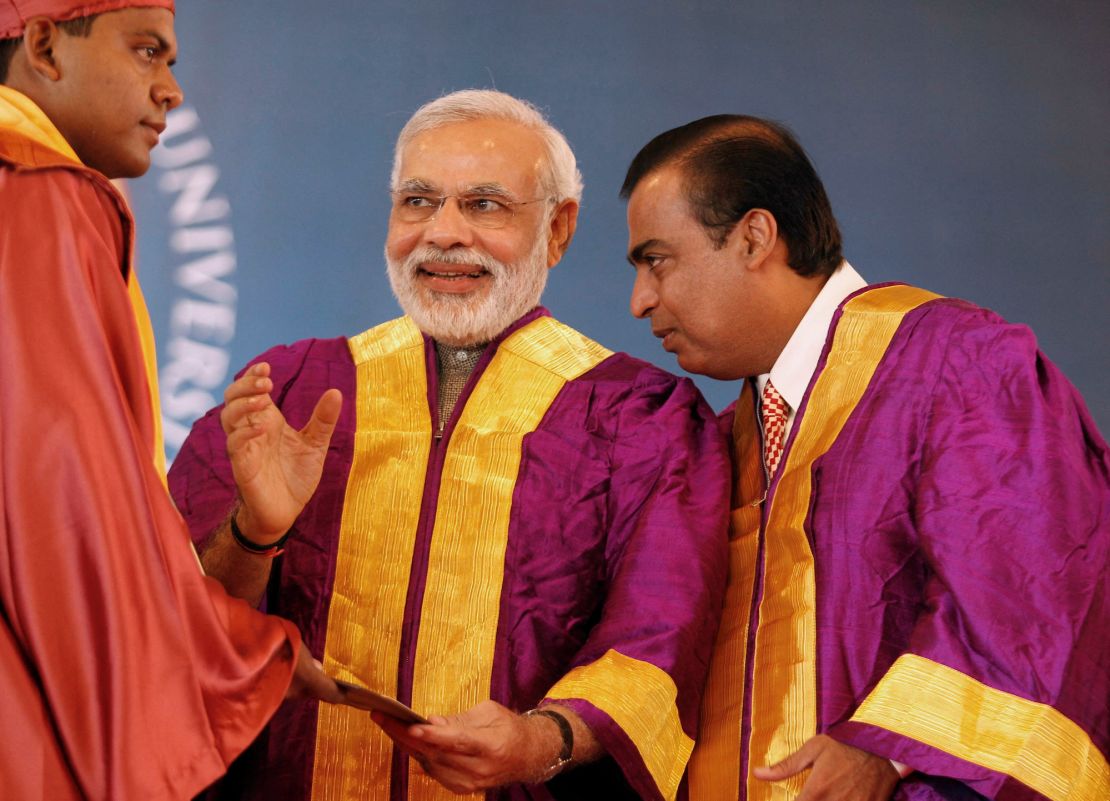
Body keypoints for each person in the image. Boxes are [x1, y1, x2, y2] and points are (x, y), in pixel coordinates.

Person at [168, 89, 730, 801]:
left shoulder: (640, 417)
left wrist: (543, 738)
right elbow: (170, 629)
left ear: (558, 230)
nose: (444, 234)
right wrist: (254, 532)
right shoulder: (294, 389)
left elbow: (660, 642)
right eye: (418, 201)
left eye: (485, 205)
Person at [621, 115, 1109, 801]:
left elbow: (1032, 592)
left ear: (755, 237)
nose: (641, 300)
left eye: (657, 259)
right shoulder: (730, 436)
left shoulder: (956, 362)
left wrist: (888, 749)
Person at [0, 3, 341, 800]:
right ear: (45, 44)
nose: (171, 91)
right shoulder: (42, 197)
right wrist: (234, 651)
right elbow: (65, 504)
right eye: (147, 51)